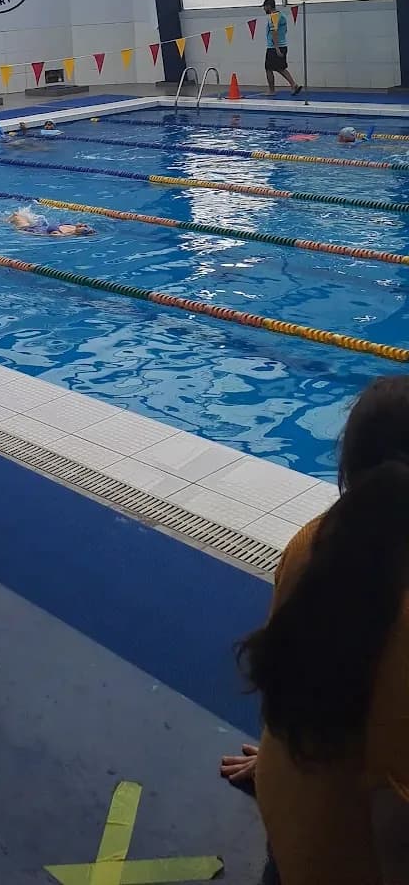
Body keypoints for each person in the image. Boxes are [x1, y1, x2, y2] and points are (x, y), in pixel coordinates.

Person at [227, 376, 409, 884]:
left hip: (289, 827)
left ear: (349, 469)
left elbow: (291, 673)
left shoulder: (313, 546)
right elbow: (397, 830)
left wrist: (276, 762)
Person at [262, 0, 302, 98]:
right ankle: (294, 85)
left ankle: (272, 91)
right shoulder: (282, 15)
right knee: (280, 68)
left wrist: (276, 48)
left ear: (269, 6)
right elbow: (285, 30)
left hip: (274, 47)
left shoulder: (273, 17)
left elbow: (274, 33)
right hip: (282, 45)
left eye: (264, 6)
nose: (264, 9)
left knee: (268, 69)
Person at [8, 206, 94, 237]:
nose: (84, 225)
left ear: (80, 233)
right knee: (18, 215)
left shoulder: (61, 234)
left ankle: (0, 221)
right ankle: (3, 220)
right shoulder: (72, 226)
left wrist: (24, 233)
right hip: (37, 226)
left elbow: (44, 235)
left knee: (16, 215)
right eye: (86, 225)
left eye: (85, 228)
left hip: (27, 229)